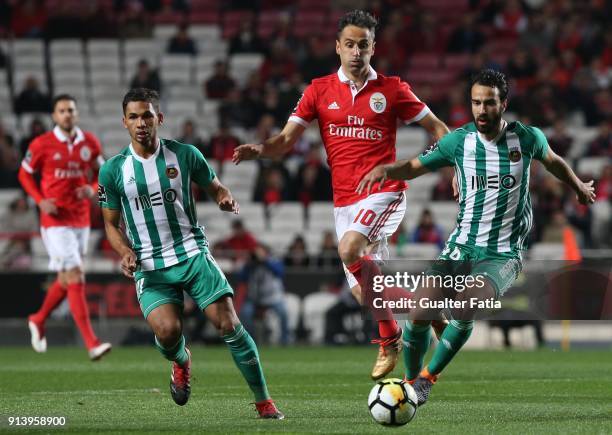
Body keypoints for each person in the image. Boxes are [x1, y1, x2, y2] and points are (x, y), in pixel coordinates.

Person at [233, 10, 450, 380]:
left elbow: (438, 127)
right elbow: (285, 141)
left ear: (373, 48)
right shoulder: (319, 90)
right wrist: (261, 148)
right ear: (337, 47)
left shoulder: (393, 89)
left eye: (362, 45)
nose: (355, 52)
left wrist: (455, 166)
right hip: (344, 201)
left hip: (384, 191)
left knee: (350, 250)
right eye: (349, 44)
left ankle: (390, 339)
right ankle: (426, 310)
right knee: (366, 294)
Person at [357, 69, 596, 406]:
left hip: (502, 254)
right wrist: (386, 170)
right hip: (461, 246)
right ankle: (409, 385)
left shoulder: (527, 139)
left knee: (467, 304)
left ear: (504, 104)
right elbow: (416, 166)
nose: (482, 110)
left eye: (489, 103)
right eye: (476, 103)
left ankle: (426, 379)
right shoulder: (459, 141)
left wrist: (578, 187)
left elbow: (553, 162)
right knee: (420, 311)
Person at [98, 88, 283, 418]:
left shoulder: (185, 155)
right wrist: (124, 251)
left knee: (228, 324)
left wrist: (225, 199)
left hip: (191, 252)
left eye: (147, 115)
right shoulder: (113, 170)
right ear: (124, 122)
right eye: (134, 117)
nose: (142, 123)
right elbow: (111, 225)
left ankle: (264, 402)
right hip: (150, 264)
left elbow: (216, 187)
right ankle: (181, 360)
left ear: (160, 119)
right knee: (168, 332)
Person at [18, 94, 111, 360]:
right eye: (62, 110)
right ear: (54, 116)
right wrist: (39, 201)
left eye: (71, 110)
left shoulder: (89, 143)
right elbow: (24, 173)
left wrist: (91, 189)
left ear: (76, 113)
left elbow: (102, 174)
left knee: (65, 278)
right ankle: (92, 343)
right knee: (76, 274)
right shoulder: (42, 144)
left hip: (81, 219)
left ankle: (37, 318)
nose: (67, 114)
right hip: (55, 220)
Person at [239, 244, 290, 345]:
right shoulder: (251, 265)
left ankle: (285, 340)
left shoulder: (273, 261)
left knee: (283, 313)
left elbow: (280, 272)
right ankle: (251, 341)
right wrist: (250, 263)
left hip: (273, 298)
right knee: (245, 314)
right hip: (254, 299)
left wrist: (265, 260)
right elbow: (242, 278)